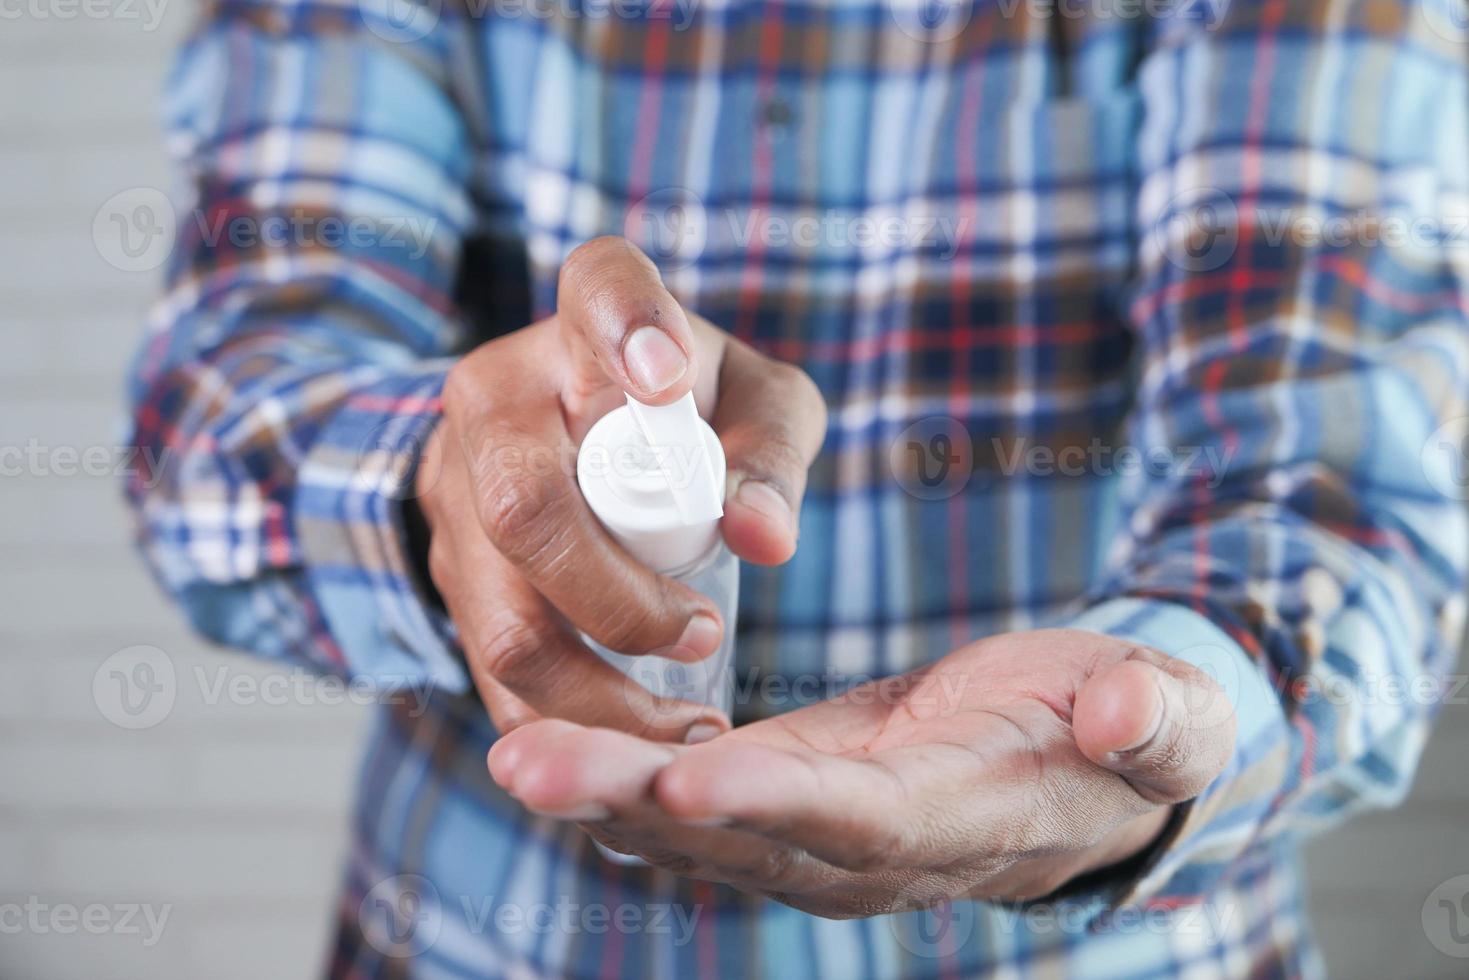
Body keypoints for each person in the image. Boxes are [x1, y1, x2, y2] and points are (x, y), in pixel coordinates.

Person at [124, 0, 1468, 974]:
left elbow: (1336, 484)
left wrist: (1159, 713)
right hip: (485, 934)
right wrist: (442, 482)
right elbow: (222, 406)